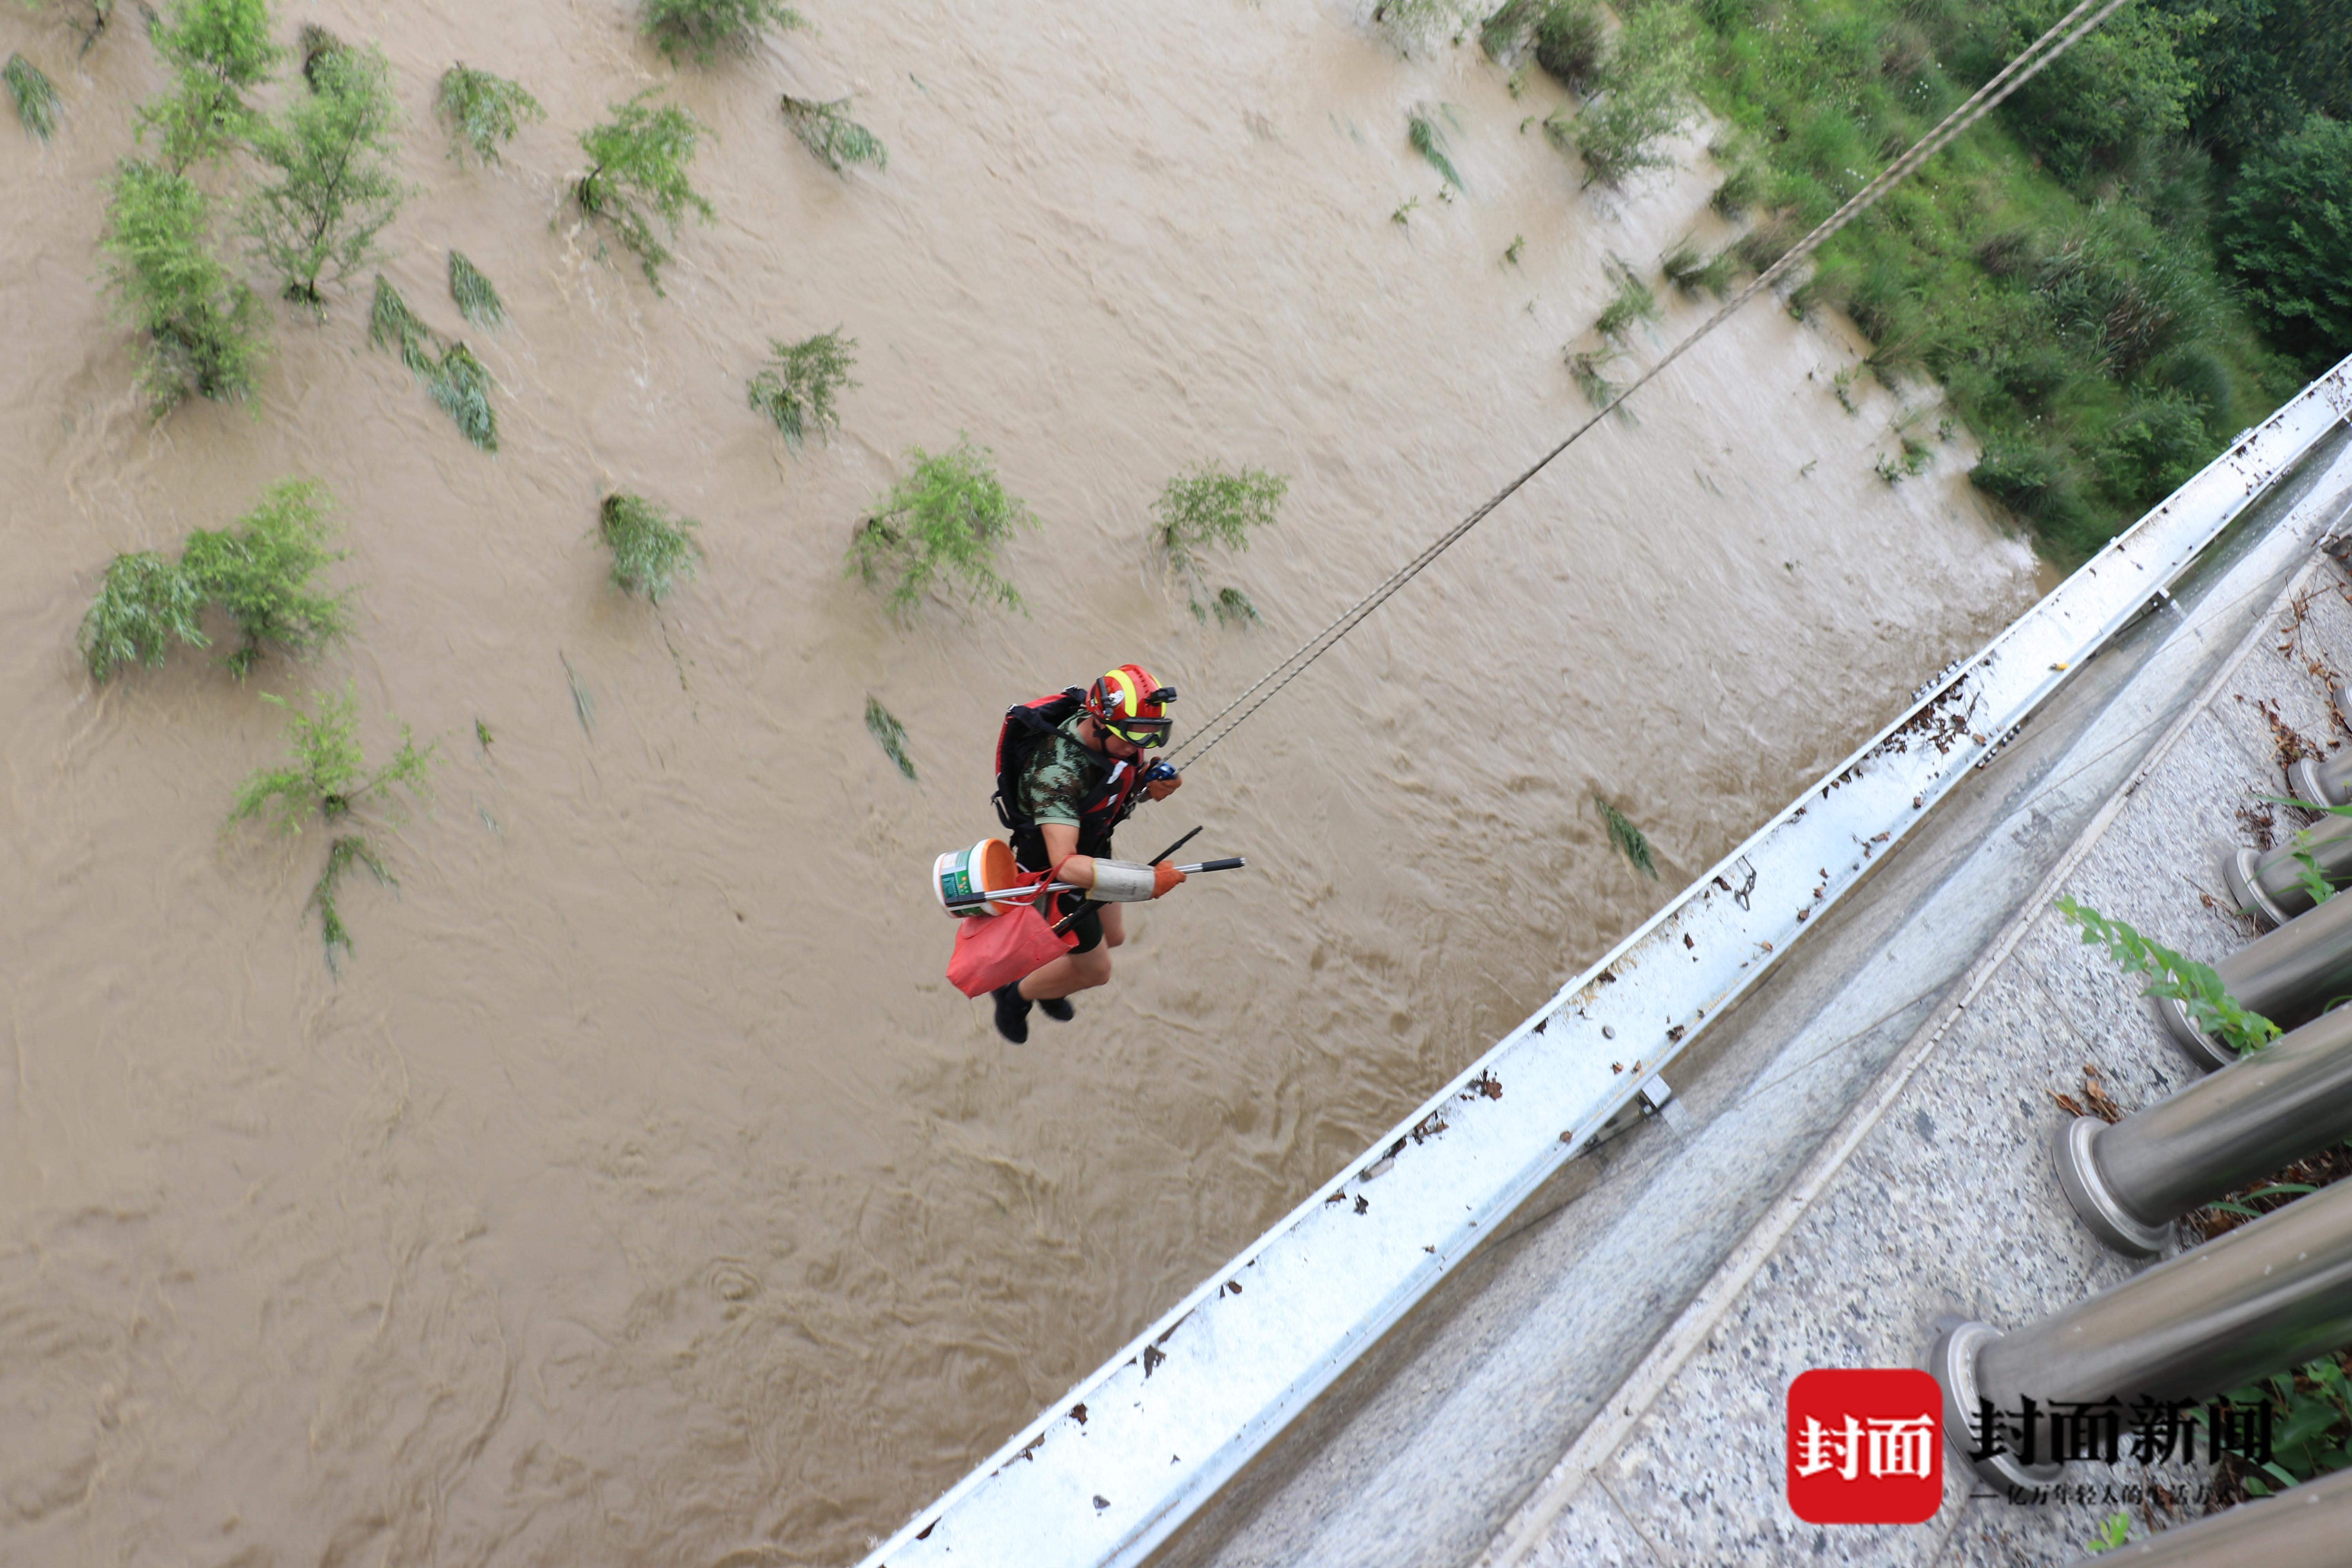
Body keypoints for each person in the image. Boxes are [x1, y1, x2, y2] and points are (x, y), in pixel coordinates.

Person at [987, 664, 1187, 1043]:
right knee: (1098, 971)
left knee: (1114, 936)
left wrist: (1146, 787)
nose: (1138, 748)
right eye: (1132, 737)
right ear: (1098, 723)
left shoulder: (1118, 740)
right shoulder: (1056, 772)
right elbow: (1064, 865)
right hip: (1058, 876)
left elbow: (1110, 788)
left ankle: (1053, 983)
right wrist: (1145, 882)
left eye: (1151, 737)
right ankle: (1016, 995)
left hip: (1093, 850)